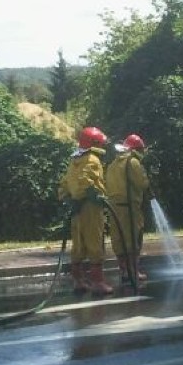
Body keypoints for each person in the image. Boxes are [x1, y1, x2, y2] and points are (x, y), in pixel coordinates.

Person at [58, 126, 113, 296]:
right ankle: (98, 282)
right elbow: (86, 180)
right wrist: (93, 194)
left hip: (76, 209)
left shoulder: (74, 160)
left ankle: (78, 281)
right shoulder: (92, 159)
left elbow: (64, 184)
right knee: (95, 242)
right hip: (90, 208)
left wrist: (69, 199)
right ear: (94, 143)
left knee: (79, 244)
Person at [105, 133, 154, 284]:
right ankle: (134, 271)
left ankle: (124, 271)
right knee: (134, 239)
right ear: (137, 149)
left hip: (114, 208)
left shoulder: (112, 164)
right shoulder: (133, 163)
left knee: (118, 240)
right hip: (130, 208)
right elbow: (142, 183)